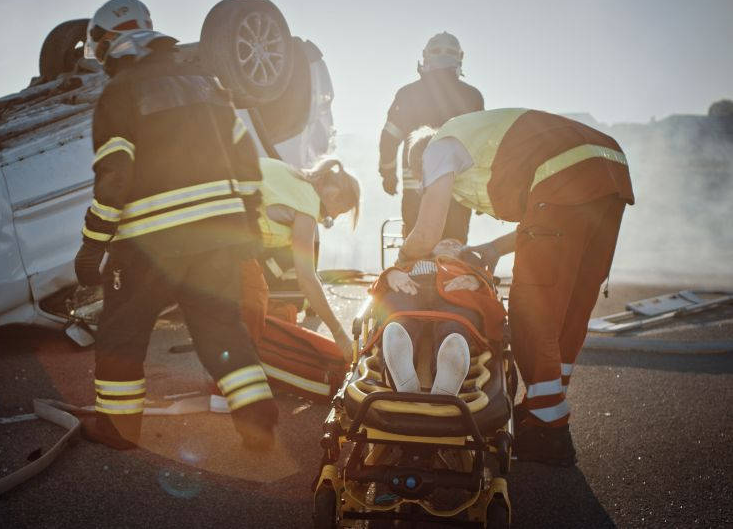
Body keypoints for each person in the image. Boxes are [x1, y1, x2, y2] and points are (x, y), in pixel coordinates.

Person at [386, 108, 634, 466]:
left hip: (564, 175)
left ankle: (549, 431)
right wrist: (491, 250)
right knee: (570, 307)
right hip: (610, 172)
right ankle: (545, 409)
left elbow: (427, 231)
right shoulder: (489, 146)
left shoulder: (437, 147)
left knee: (532, 307)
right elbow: (544, 216)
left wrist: (402, 260)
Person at [73, 28, 277, 451]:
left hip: (149, 243)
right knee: (221, 328)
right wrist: (249, 225)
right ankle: (257, 419)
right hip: (215, 239)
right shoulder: (208, 86)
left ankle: (119, 428)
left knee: (122, 332)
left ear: (116, 48)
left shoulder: (120, 91)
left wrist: (93, 242)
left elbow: (114, 175)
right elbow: (247, 164)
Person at [249, 157, 360, 361]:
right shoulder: (308, 205)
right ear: (333, 194)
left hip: (213, 216)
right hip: (219, 236)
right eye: (340, 211)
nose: (332, 218)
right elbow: (307, 278)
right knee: (252, 305)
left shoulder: (294, 176)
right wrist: (339, 334)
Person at [378, 32, 484, 242]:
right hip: (458, 191)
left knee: (416, 248)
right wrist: (480, 190)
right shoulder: (473, 96)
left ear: (425, 56)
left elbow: (389, 138)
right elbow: (479, 146)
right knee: (453, 250)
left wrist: (388, 174)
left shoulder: (408, 94)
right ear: (460, 57)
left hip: (417, 190)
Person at [374, 239, 505, 396]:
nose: (449, 244)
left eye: (455, 244)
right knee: (397, 315)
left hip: (455, 292)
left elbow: (487, 284)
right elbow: (379, 286)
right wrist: (391, 274)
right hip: (412, 286)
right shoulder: (414, 262)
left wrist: (476, 280)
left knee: (456, 321)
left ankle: (448, 371)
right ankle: (396, 366)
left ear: (463, 252)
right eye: (443, 242)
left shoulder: (468, 267)